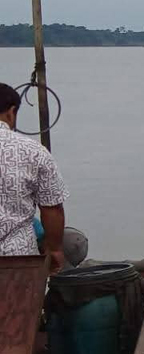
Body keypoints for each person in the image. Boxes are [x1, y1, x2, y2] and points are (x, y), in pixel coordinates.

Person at [0, 83, 69, 271]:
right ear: (11, 112)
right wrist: (54, 249)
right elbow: (52, 208)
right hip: (15, 259)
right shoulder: (33, 152)